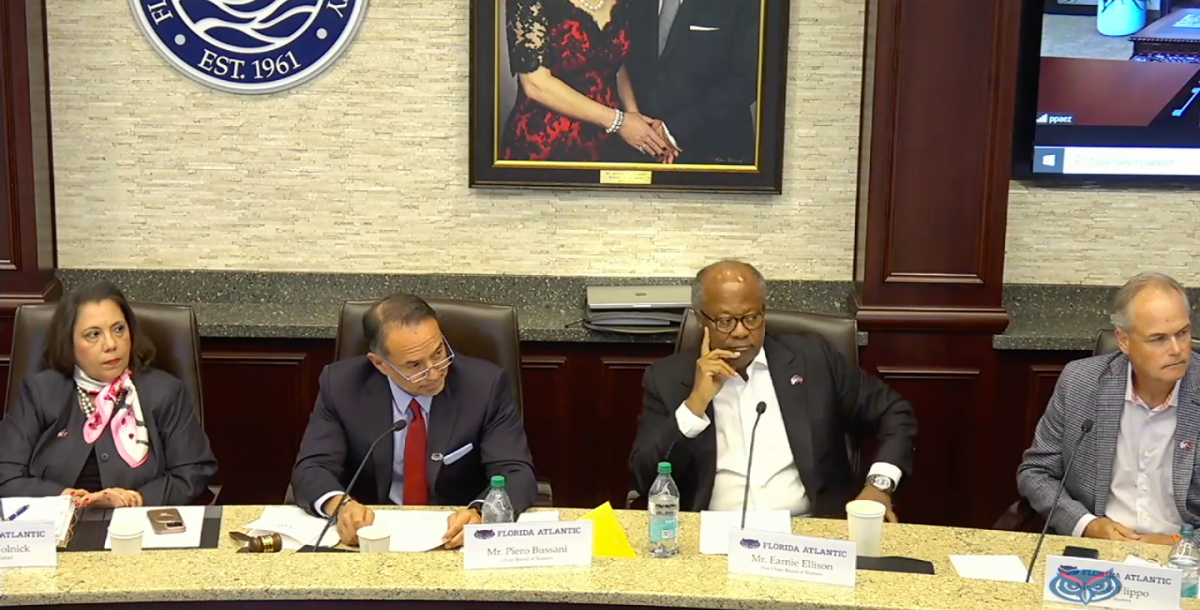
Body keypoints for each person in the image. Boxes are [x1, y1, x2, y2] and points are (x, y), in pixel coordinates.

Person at [628, 261, 918, 519]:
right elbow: (644, 476)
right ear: (702, 320)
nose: (741, 332)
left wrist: (879, 484)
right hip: (712, 536)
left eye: (752, 318)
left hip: (807, 531)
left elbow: (894, 412)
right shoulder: (668, 378)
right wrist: (695, 404)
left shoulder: (813, 360)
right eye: (726, 321)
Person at [291, 294, 538, 548]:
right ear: (380, 364)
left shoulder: (485, 386)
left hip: (455, 541)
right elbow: (312, 468)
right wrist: (341, 507)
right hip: (372, 539)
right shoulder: (341, 385)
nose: (434, 372)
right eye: (414, 365)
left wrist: (480, 513)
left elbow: (516, 473)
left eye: (439, 352)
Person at [0, 281, 217, 507]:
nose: (111, 344)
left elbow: (193, 470)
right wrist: (70, 499)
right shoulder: (40, 392)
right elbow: (5, 474)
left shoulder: (165, 392)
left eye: (118, 329)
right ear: (69, 342)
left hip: (137, 526)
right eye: (93, 334)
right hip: (56, 527)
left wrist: (137, 499)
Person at [1018, 272, 1198, 544]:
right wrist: (1086, 525)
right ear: (1124, 340)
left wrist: (1181, 544)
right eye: (1158, 338)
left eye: (1182, 333)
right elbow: (1036, 473)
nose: (1177, 349)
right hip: (1100, 551)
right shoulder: (1081, 383)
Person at [500, 0, 680, 162]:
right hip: (547, 142)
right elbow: (535, 84)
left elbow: (615, 63)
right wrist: (619, 122)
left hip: (607, 140)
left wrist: (636, 120)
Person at [622, 0, 760, 165]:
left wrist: (673, 131)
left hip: (713, 147)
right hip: (635, 142)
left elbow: (748, 80)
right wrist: (636, 122)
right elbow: (623, 62)